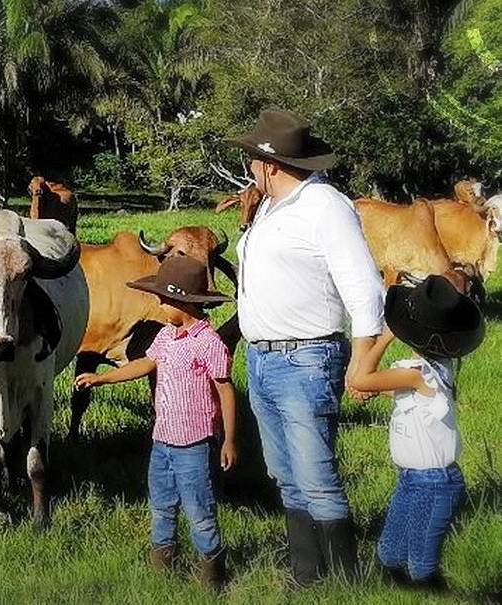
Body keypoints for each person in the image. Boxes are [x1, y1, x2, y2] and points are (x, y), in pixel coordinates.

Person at [226, 109, 386, 585]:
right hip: (263, 358)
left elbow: (364, 289)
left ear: (269, 164)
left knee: (316, 477)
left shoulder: (326, 207)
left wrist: (361, 361)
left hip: (307, 358)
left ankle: (345, 580)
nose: (250, 166)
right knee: (286, 476)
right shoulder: (271, 206)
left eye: (253, 158)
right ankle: (307, 574)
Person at [73, 255, 237, 591]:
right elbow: (146, 364)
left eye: (163, 299)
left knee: (199, 509)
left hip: (194, 444)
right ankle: (164, 563)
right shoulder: (166, 336)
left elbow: (225, 390)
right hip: (162, 441)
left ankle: (212, 573)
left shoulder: (208, 344)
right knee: (161, 503)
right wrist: (102, 379)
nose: (158, 304)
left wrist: (229, 439)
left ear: (183, 302)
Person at [349, 273, 485, 591]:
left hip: (434, 482)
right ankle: (401, 584)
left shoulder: (415, 374)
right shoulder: (436, 370)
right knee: (391, 553)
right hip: (416, 478)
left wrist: (384, 337)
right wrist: (369, 386)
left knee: (422, 564)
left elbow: (361, 379)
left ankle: (434, 592)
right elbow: (375, 385)